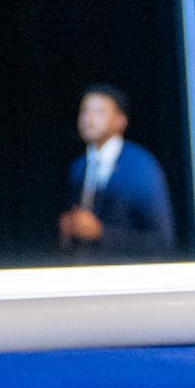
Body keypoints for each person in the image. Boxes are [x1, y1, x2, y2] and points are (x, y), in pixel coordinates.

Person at [62, 85, 176, 260]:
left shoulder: (140, 167)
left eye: (99, 111)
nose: (88, 119)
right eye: (84, 111)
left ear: (120, 120)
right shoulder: (79, 167)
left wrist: (100, 233)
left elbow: (161, 240)